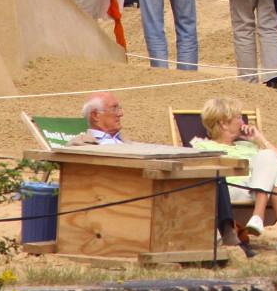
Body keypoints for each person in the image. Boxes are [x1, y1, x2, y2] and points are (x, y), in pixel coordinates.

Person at [70, 91, 254, 257]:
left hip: (150, 184)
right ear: (95, 115)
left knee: (213, 174)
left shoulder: (128, 143)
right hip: (124, 193)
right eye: (115, 108)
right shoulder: (82, 144)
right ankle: (223, 235)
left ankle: (225, 231)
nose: (121, 113)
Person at [191, 97, 277, 254]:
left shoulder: (249, 145)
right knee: (270, 159)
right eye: (238, 117)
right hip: (229, 191)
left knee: (276, 165)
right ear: (223, 123)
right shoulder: (203, 146)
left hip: (256, 190)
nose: (243, 121)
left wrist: (261, 140)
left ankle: (268, 224)